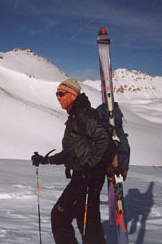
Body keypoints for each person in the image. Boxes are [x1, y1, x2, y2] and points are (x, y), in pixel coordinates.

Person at [31, 78, 110, 244]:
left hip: (89, 177)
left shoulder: (84, 114)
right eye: (57, 94)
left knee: (84, 223)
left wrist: (90, 165)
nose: (58, 97)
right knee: (74, 219)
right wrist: (45, 160)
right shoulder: (75, 117)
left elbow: (103, 138)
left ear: (73, 95)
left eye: (61, 94)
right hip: (81, 176)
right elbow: (70, 154)